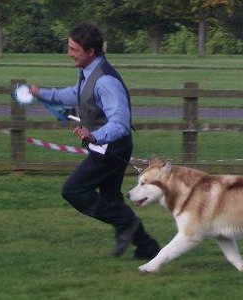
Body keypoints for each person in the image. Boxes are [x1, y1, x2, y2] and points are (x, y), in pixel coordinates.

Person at [29, 22, 160, 260]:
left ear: (90, 51)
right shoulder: (90, 73)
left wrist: (94, 135)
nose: (69, 53)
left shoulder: (105, 81)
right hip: (105, 146)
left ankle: (127, 224)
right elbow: (74, 94)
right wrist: (42, 94)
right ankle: (147, 246)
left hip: (111, 148)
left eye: (73, 49)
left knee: (73, 190)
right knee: (110, 199)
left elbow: (120, 123)